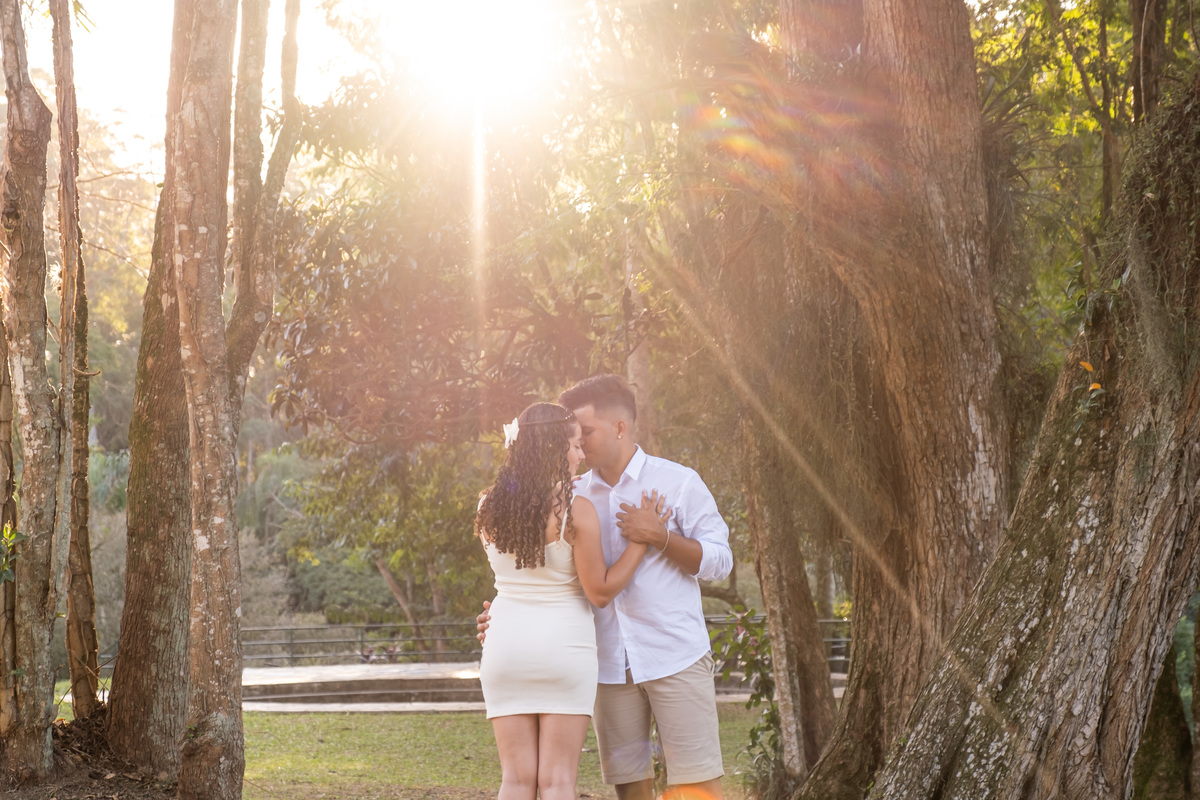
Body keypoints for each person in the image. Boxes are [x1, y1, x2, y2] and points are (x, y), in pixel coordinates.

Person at [481, 376, 733, 799]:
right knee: (630, 789)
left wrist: (662, 537)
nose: (580, 445)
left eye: (586, 434)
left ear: (620, 427)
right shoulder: (568, 493)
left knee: (696, 784)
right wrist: (501, 615)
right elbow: (538, 568)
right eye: (573, 438)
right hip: (607, 663)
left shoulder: (678, 482)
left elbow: (720, 563)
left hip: (675, 655)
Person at [475, 401, 658, 800]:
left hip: (505, 646)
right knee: (558, 781)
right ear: (552, 450)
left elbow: (512, 577)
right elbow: (602, 591)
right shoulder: (576, 510)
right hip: (563, 648)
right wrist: (641, 543)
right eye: (574, 446)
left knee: (516, 780)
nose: (580, 454)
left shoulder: (488, 506)